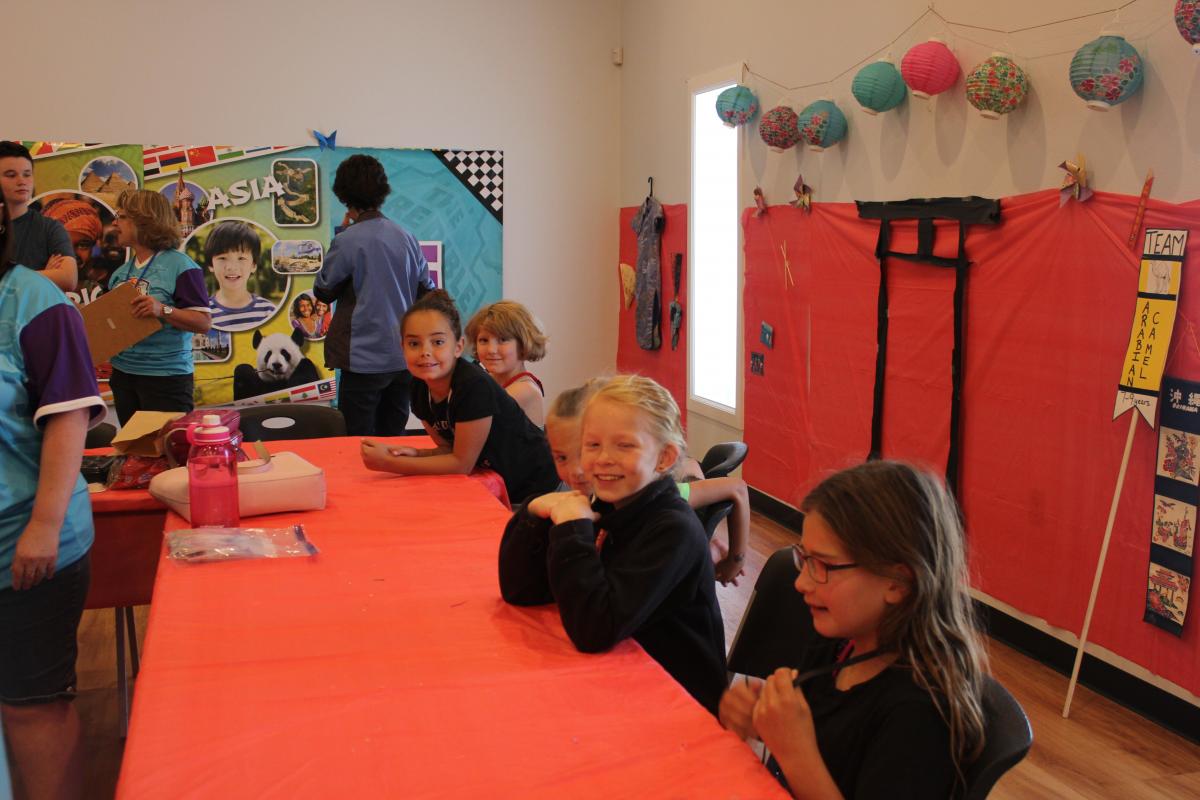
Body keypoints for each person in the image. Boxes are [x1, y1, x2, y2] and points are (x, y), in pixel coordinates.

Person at [718, 460, 989, 799]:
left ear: (898, 581)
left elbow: (810, 757)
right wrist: (764, 720)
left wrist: (795, 751)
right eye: (805, 558)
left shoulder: (922, 711)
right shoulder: (838, 645)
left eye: (825, 565)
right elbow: (828, 746)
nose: (801, 583)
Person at [497, 375, 726, 715]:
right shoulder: (605, 506)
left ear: (664, 458)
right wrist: (533, 514)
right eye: (592, 445)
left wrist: (572, 531)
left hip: (679, 705)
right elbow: (521, 590)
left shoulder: (672, 530)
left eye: (624, 445)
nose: (602, 458)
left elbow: (594, 629)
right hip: (620, 682)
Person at [0, 196, 107, 800]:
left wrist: (43, 524)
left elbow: (68, 417)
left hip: (24, 547)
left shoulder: (34, 302)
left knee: (30, 705)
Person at [360, 289, 559, 503]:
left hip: (535, 490)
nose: (425, 352)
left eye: (437, 342)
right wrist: (416, 454)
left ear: (458, 346)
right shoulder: (419, 386)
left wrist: (389, 463)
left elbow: (461, 463)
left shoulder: (477, 386)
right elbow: (449, 449)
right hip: (502, 483)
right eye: (414, 343)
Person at [544, 380, 749, 585]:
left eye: (581, 452)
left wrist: (735, 561)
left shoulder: (663, 504)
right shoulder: (605, 499)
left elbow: (736, 487)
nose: (576, 470)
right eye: (593, 445)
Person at [314, 154, 434, 436]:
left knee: (356, 440)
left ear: (343, 194)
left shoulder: (347, 239)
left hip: (362, 359)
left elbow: (324, 290)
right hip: (403, 357)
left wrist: (343, 232)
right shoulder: (406, 236)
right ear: (382, 190)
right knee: (393, 436)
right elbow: (426, 291)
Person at [106, 189, 212, 425]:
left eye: (121, 216)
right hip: (123, 375)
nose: (114, 223)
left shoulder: (181, 266)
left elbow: (204, 323)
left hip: (166, 378)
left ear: (145, 220)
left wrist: (162, 310)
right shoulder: (120, 273)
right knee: (133, 446)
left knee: (168, 447)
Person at [0, 141, 77, 291]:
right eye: (11, 175)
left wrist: (7, 280)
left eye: (27, 174)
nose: (22, 181)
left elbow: (68, 278)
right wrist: (41, 276)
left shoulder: (49, 228)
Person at [465, 300, 548, 427]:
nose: (491, 350)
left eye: (503, 339)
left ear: (523, 344)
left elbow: (468, 417)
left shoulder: (526, 390)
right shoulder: (487, 381)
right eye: (484, 340)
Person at [205, 219, 275, 330]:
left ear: (253, 265)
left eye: (241, 258)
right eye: (222, 258)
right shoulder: (203, 314)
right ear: (211, 265)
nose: (232, 267)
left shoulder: (268, 311)